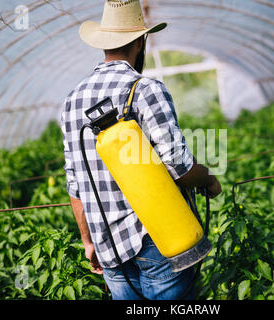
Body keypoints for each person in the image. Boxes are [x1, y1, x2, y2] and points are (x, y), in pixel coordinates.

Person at [61, 0, 221, 300]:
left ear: (104, 43)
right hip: (157, 238)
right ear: (140, 40)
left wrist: (88, 241)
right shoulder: (145, 89)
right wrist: (209, 179)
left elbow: (75, 183)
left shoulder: (71, 101)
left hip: (107, 244)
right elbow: (180, 170)